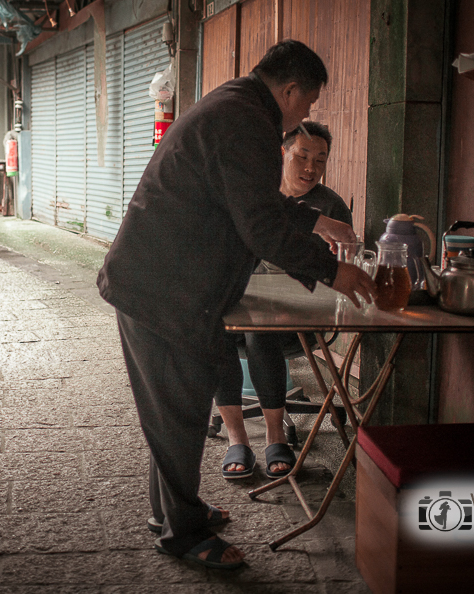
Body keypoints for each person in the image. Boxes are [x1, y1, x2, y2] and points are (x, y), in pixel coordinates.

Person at [96, 41, 374, 570]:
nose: (305, 117)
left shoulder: (235, 105)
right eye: (308, 104)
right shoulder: (247, 122)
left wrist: (316, 220)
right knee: (177, 413)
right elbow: (262, 226)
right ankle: (182, 535)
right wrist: (334, 269)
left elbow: (250, 201)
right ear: (290, 90)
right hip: (160, 289)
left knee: (170, 410)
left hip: (159, 283)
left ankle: (173, 513)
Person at [215, 121, 353, 480]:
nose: (310, 168)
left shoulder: (330, 207)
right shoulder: (255, 197)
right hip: (241, 307)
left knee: (260, 333)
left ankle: (276, 437)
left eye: (320, 160)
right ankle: (237, 438)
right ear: (283, 154)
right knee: (214, 332)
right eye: (302, 156)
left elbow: (338, 270)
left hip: (298, 317)